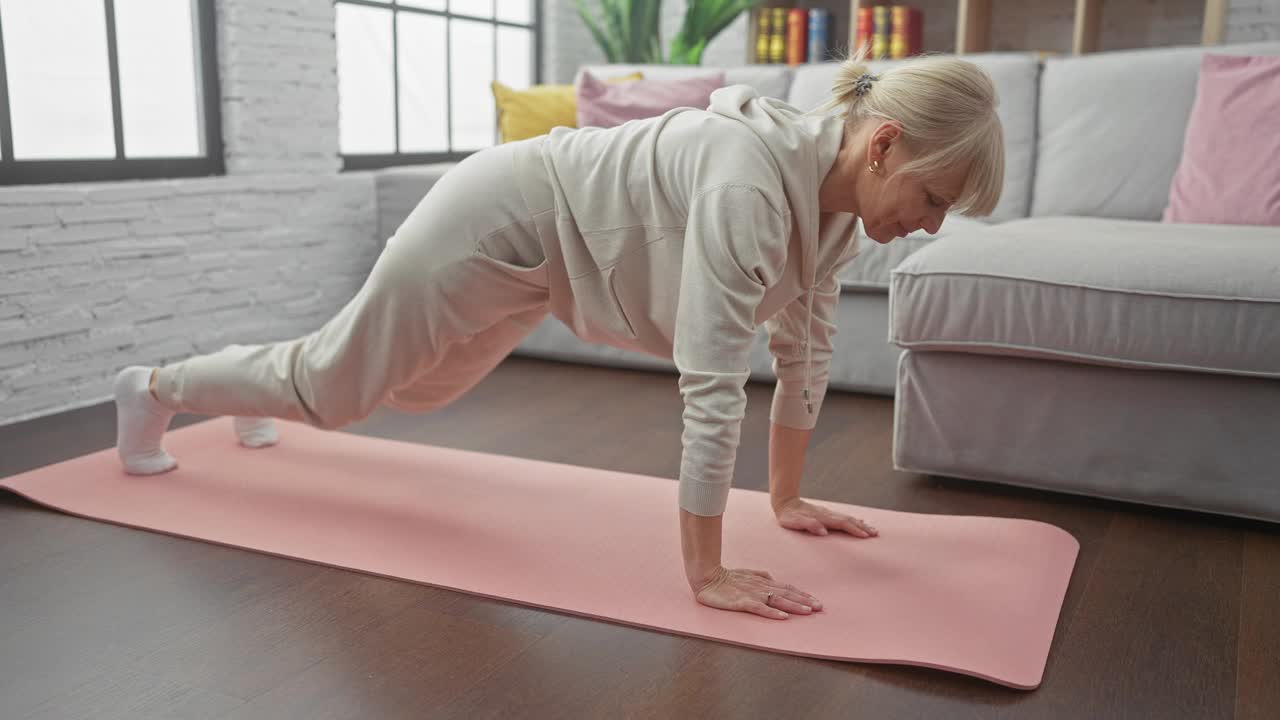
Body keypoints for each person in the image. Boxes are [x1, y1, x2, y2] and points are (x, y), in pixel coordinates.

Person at [113, 46, 1004, 621]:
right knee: (337, 393)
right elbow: (712, 380)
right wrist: (707, 573)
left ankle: (260, 391)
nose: (929, 226)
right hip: (498, 218)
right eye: (932, 198)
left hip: (552, 267)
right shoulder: (750, 186)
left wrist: (784, 501)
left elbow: (805, 348)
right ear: (883, 145)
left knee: (420, 389)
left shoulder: (838, 214)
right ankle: (154, 389)